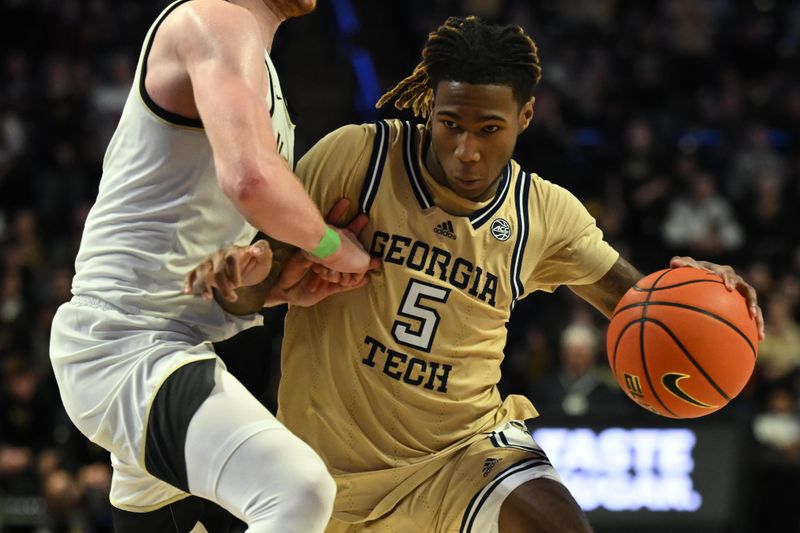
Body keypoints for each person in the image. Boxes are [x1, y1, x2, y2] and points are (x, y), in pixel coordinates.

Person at [187, 16, 765, 532]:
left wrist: (697, 296)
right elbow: (258, 289)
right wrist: (233, 282)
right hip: (321, 467)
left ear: (526, 116)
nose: (465, 149)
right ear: (428, 108)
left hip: (461, 454)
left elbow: (636, 307)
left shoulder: (544, 211)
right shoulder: (356, 159)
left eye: (488, 129)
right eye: (449, 124)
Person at [48, 0, 375, 531]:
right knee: (297, 491)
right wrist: (335, 247)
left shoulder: (250, 56)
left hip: (170, 342)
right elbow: (251, 181)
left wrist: (275, 288)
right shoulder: (214, 21)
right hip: (124, 345)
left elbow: (195, 267)